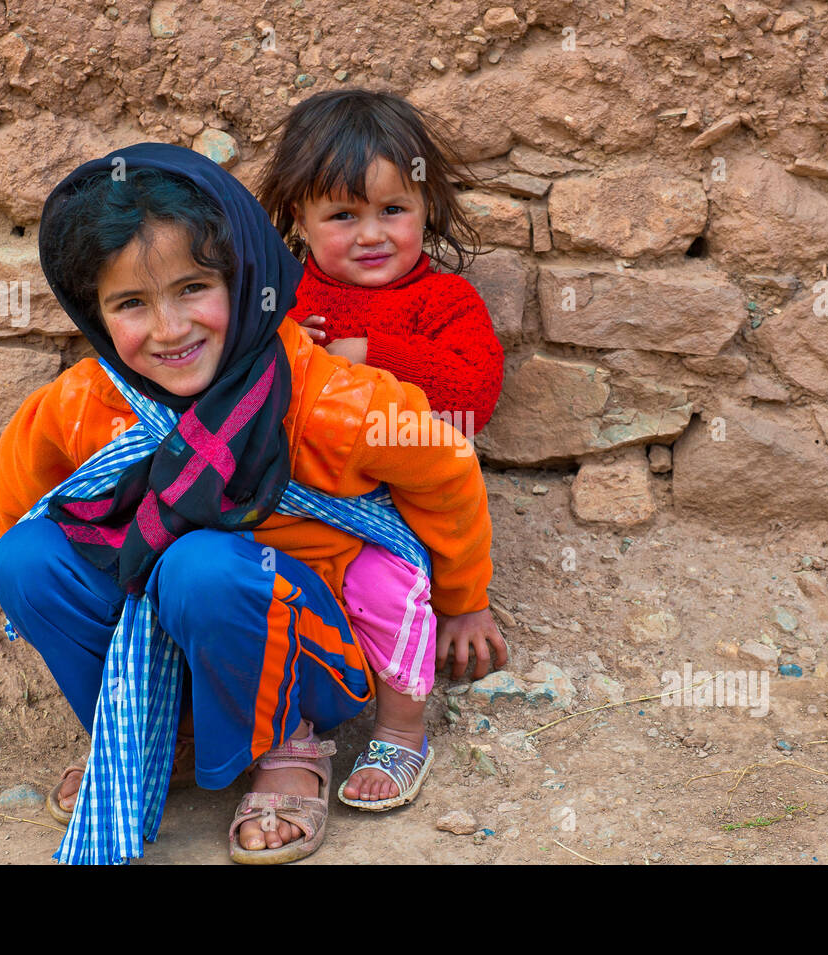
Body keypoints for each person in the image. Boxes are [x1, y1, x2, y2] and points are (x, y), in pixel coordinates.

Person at [0, 142, 503, 864]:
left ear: (245, 275)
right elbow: (26, 493)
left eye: (194, 287)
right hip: (182, 638)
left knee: (202, 563)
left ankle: (288, 747)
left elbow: (448, 466)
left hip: (317, 650)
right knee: (25, 559)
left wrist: (464, 598)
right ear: (96, 315)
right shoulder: (83, 405)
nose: (170, 329)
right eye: (131, 303)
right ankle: (167, 735)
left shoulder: (327, 401)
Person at [253, 89, 507, 809]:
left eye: (392, 210)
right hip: (295, 506)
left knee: (384, 594)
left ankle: (401, 730)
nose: (371, 234)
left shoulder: (445, 302)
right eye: (342, 215)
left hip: (395, 515)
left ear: (426, 207)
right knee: (266, 602)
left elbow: (472, 397)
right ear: (298, 219)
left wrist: (377, 352)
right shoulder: (283, 299)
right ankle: (289, 738)